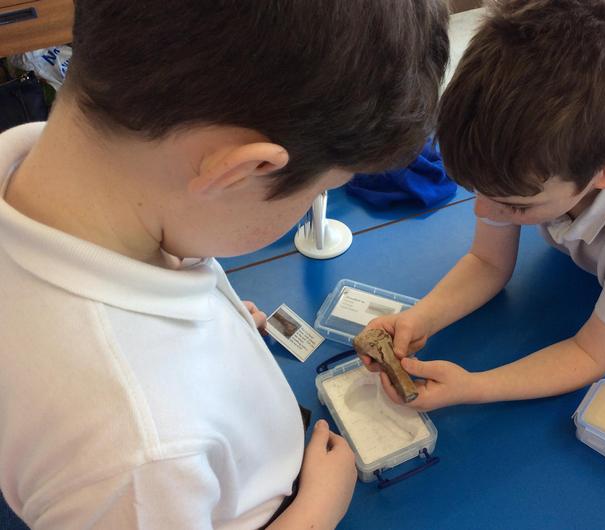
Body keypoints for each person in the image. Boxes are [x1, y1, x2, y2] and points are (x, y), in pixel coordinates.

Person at [0, 1, 449, 528]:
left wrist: (220, 323)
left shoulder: (80, 192)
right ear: (242, 170)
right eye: (320, 191)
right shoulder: (141, 459)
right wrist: (316, 510)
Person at [364, 0, 605, 412]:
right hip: (599, 264)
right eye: (476, 191)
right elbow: (488, 262)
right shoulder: (530, 162)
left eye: (515, 207)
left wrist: (473, 387)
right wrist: (419, 319)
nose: (483, 212)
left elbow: (589, 354)